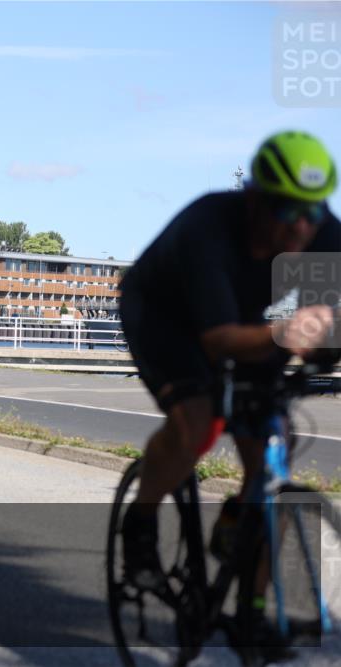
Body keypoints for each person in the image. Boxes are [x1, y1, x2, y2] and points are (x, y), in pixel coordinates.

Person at [119, 132, 339, 638]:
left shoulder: (322, 234)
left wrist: (322, 342)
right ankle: (141, 523)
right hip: (165, 317)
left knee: (269, 459)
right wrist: (288, 332)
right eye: (289, 211)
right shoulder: (209, 227)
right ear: (256, 199)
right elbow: (217, 343)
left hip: (251, 325)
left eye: (313, 210)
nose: (303, 225)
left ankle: (252, 605)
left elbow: (327, 338)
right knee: (197, 424)